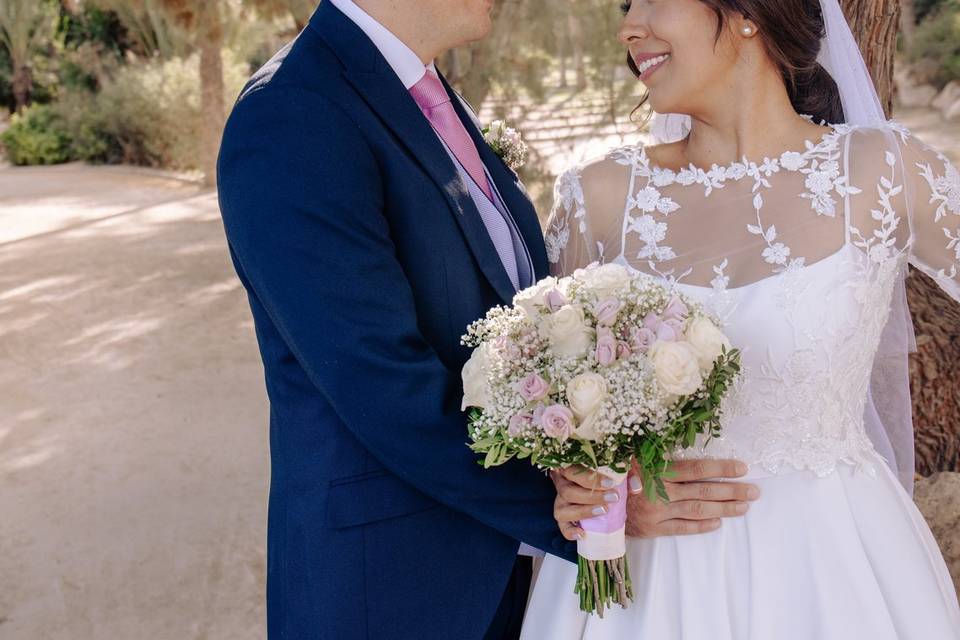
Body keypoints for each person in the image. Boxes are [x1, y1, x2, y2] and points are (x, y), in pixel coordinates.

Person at [217, 0, 756, 636]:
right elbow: (378, 379)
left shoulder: (424, 91)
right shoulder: (292, 115)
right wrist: (577, 505)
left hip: (496, 573)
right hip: (387, 589)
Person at [525, 0, 960, 637]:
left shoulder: (883, 172)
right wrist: (581, 486)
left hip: (838, 571)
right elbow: (548, 409)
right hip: (649, 587)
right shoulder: (601, 197)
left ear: (748, 13)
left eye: (651, 0)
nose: (628, 27)